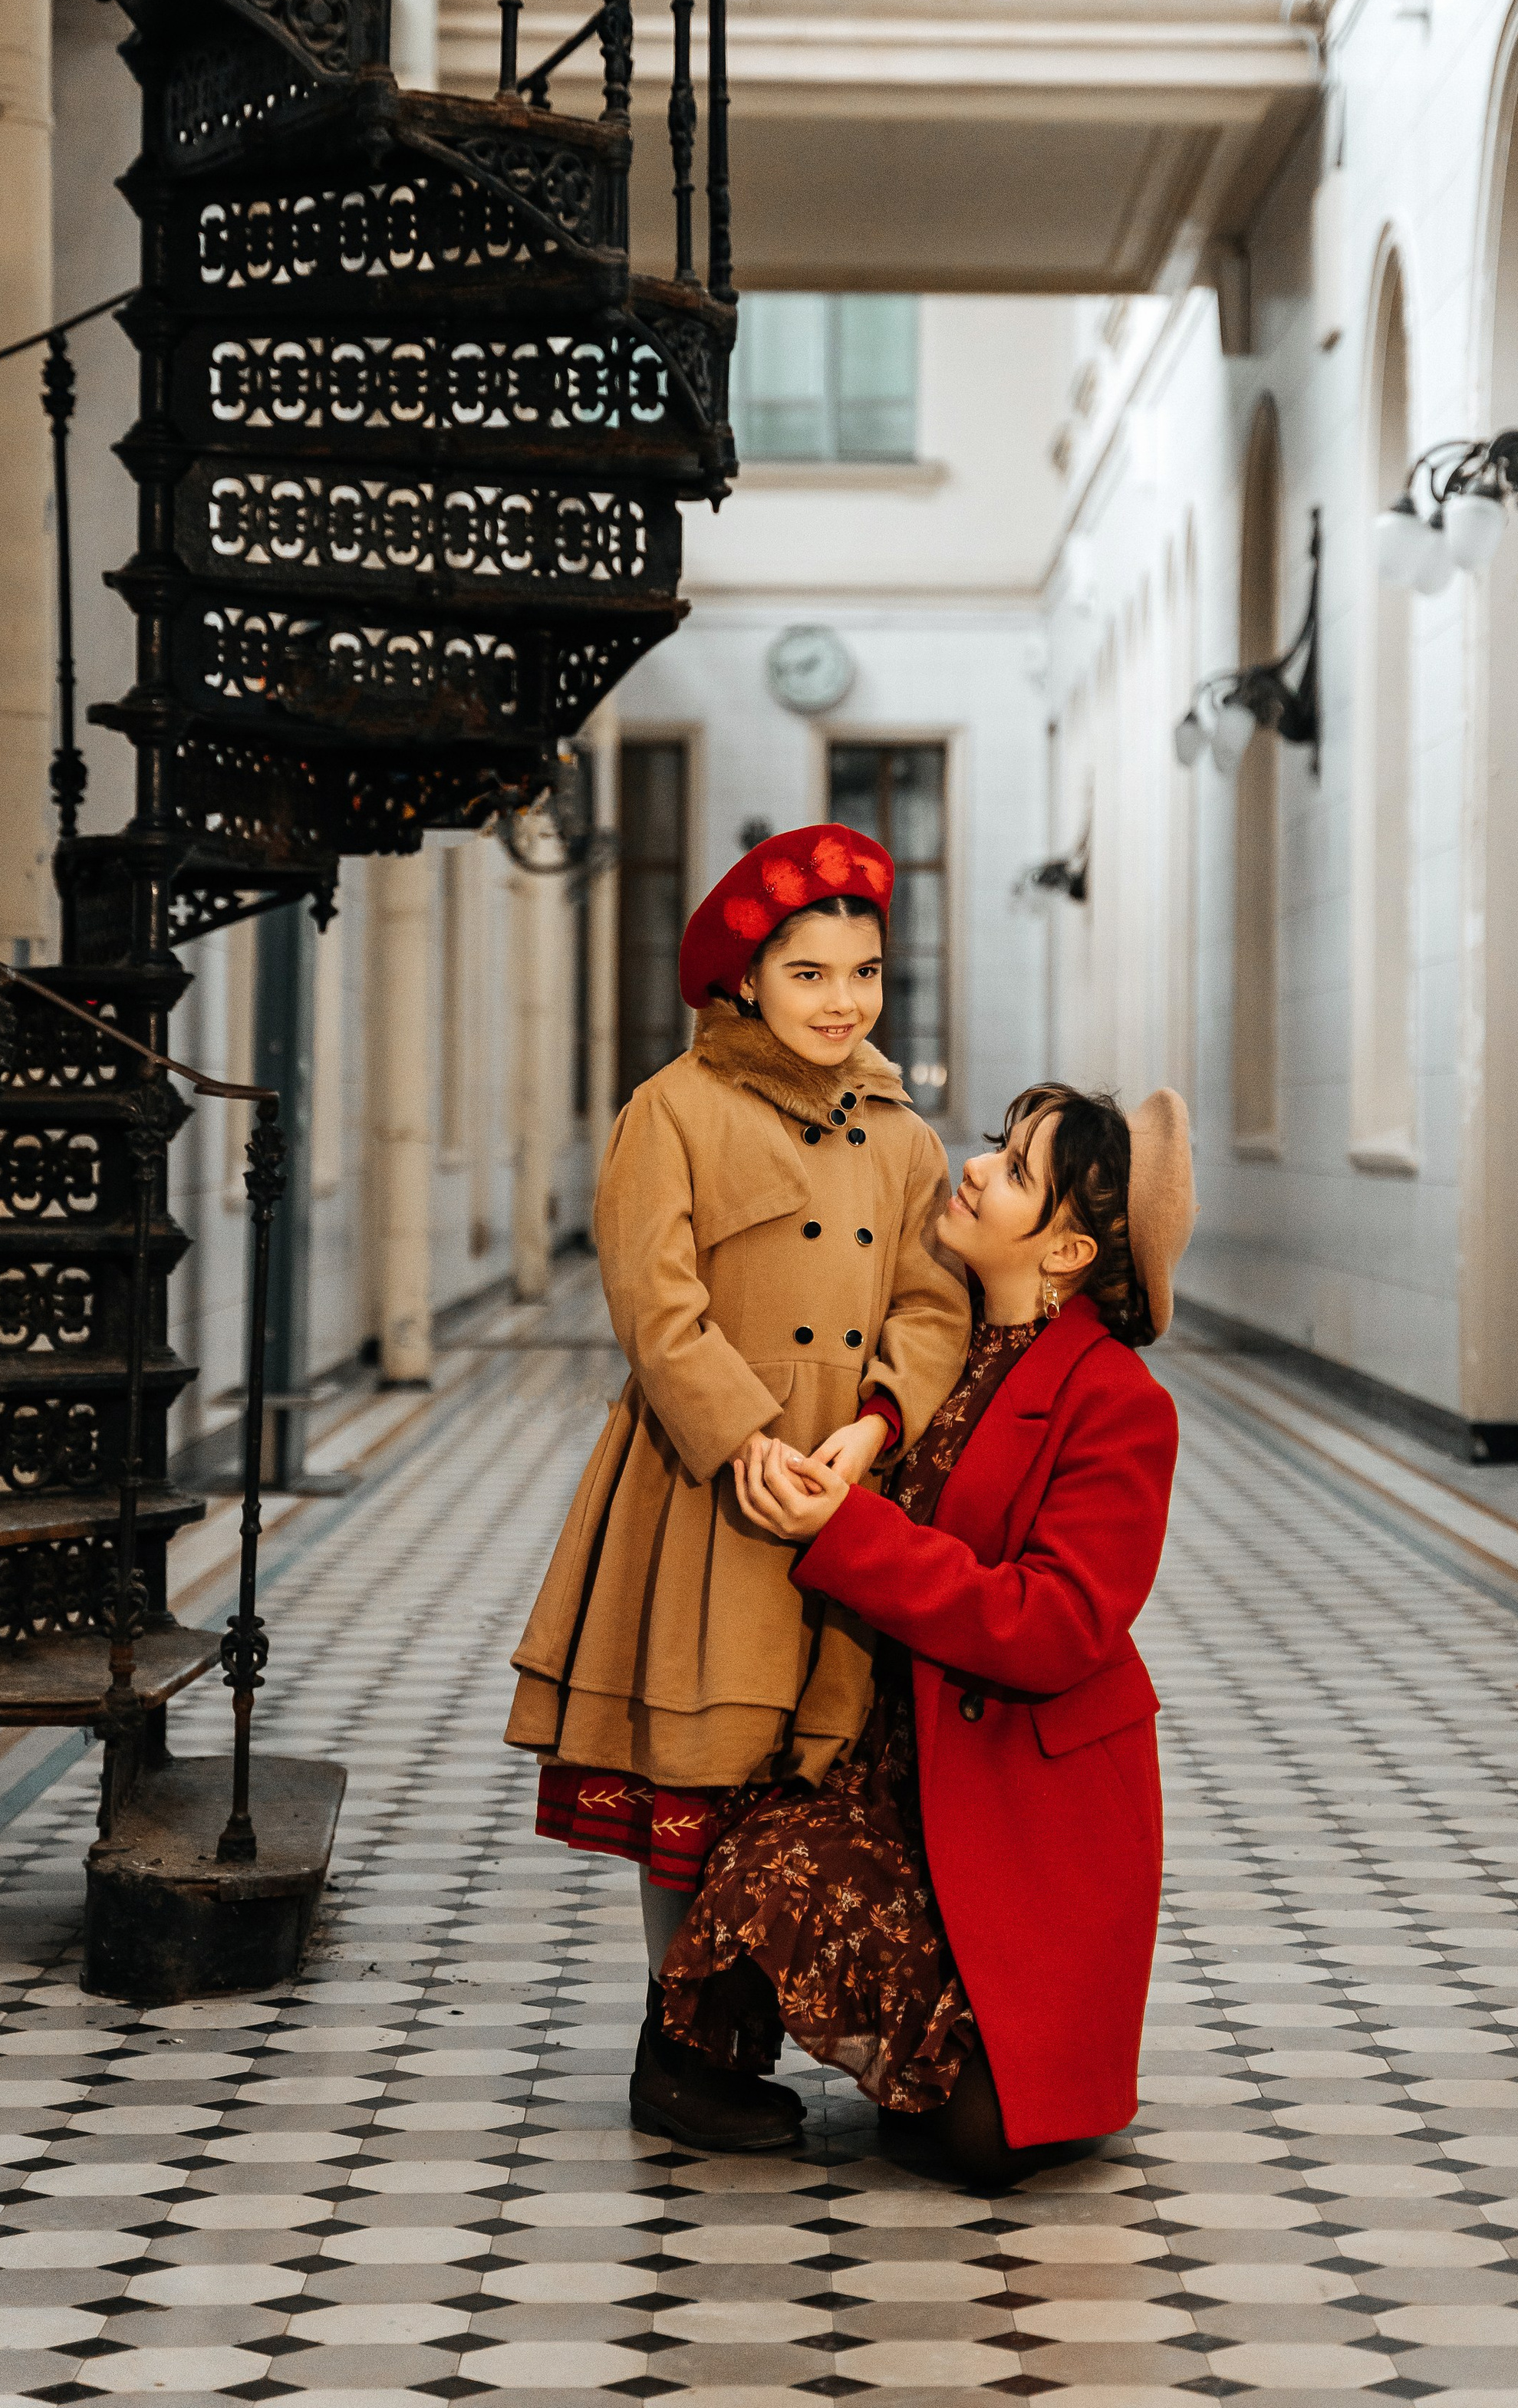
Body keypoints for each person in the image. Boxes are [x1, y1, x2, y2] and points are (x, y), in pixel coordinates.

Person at [505, 823, 971, 2150]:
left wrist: (878, 1427)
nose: (844, 1002)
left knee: (803, 1775)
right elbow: (656, 1305)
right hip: (709, 1492)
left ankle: (743, 2030)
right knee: (697, 1775)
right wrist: (749, 1437)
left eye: (864, 973)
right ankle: (682, 2052)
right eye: (812, 974)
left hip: (845, 1498)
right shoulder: (674, 1109)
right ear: (746, 981)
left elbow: (936, 1308)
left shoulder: (905, 1136)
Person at [657, 1079, 1194, 2185]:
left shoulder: (1119, 1403)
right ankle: (698, 2064)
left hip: (1027, 1813)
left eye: (1015, 1173)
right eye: (998, 1147)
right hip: (900, 1779)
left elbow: (1054, 1625)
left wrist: (849, 1532)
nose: (978, 1167)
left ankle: (979, 2066)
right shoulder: (938, 1350)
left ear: (1066, 1254)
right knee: (764, 1871)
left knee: (984, 2148)